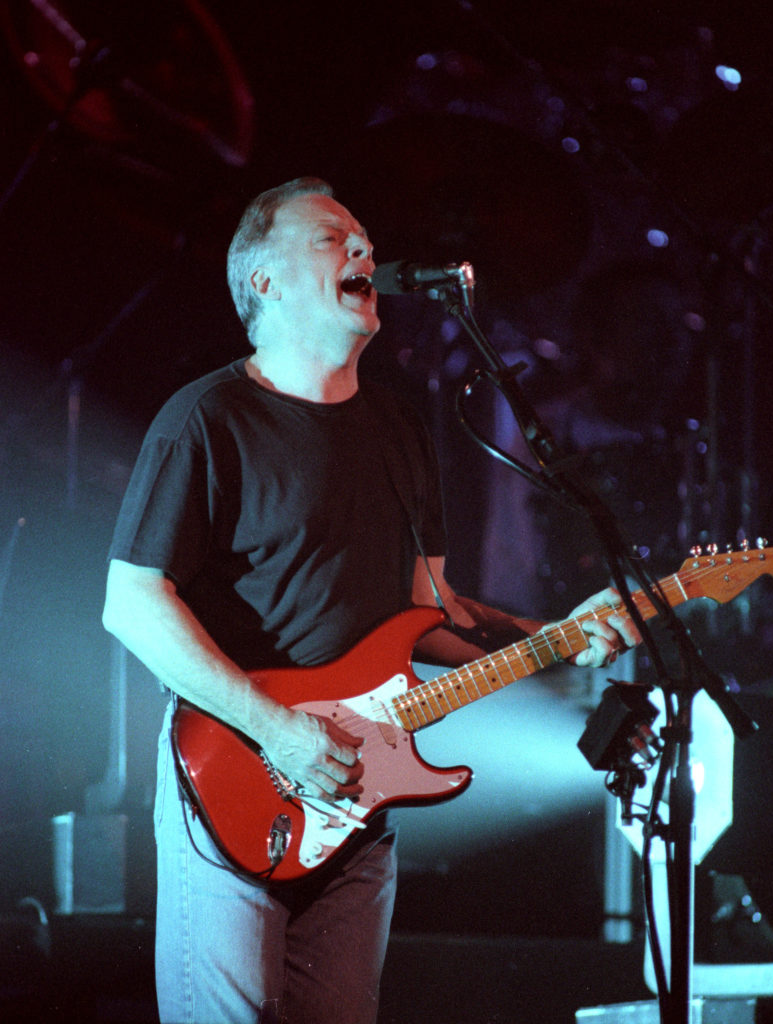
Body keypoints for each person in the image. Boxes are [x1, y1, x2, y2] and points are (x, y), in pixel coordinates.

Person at [102, 176, 639, 1024]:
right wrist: (279, 729)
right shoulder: (208, 419)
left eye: (364, 238)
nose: (364, 250)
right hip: (240, 773)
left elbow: (435, 614)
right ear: (264, 281)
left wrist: (558, 635)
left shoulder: (400, 428)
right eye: (330, 237)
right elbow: (131, 602)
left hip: (358, 794)